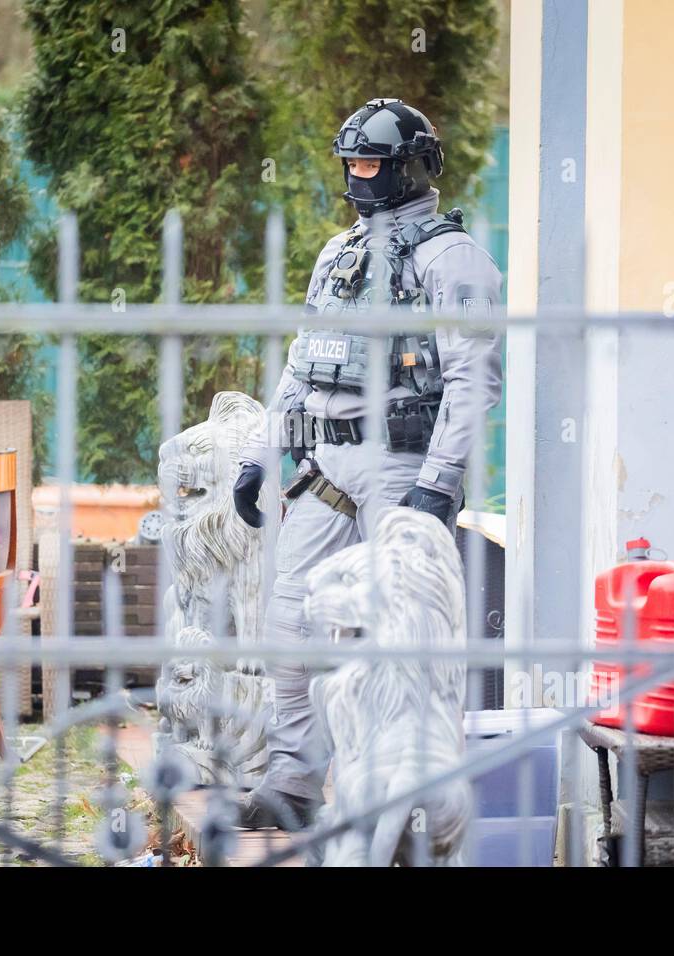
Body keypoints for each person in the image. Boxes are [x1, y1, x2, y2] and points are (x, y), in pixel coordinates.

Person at [231, 98, 503, 830]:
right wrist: (266, 452)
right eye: (351, 163)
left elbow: (474, 381)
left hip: (401, 470)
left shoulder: (455, 260)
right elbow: (302, 366)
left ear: (407, 167)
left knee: (400, 641)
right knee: (291, 623)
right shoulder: (337, 252)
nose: (358, 175)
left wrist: (438, 487)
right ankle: (293, 783)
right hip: (323, 465)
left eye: (371, 163)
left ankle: (406, 806)